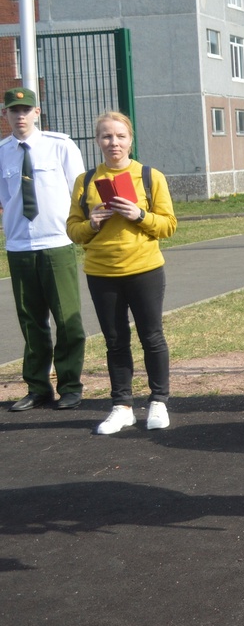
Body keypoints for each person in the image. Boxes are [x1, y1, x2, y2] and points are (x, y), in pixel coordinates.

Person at [67, 111, 178, 433]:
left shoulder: (150, 176)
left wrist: (139, 214)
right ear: (97, 141)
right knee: (115, 341)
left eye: (120, 136)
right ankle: (122, 406)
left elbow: (168, 225)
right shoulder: (85, 181)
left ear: (130, 140)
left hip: (144, 268)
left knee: (152, 337)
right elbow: (73, 230)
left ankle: (158, 402)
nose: (113, 142)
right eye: (106, 136)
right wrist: (92, 223)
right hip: (101, 272)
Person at [1, 86, 86, 412]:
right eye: (14, 110)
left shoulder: (60, 145)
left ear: (37, 113)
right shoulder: (2, 152)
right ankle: (38, 388)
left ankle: (70, 387)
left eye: (26, 110)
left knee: (67, 320)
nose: (20, 116)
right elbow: (6, 198)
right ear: (5, 114)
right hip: (20, 246)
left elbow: (79, 191)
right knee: (31, 321)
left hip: (56, 243)